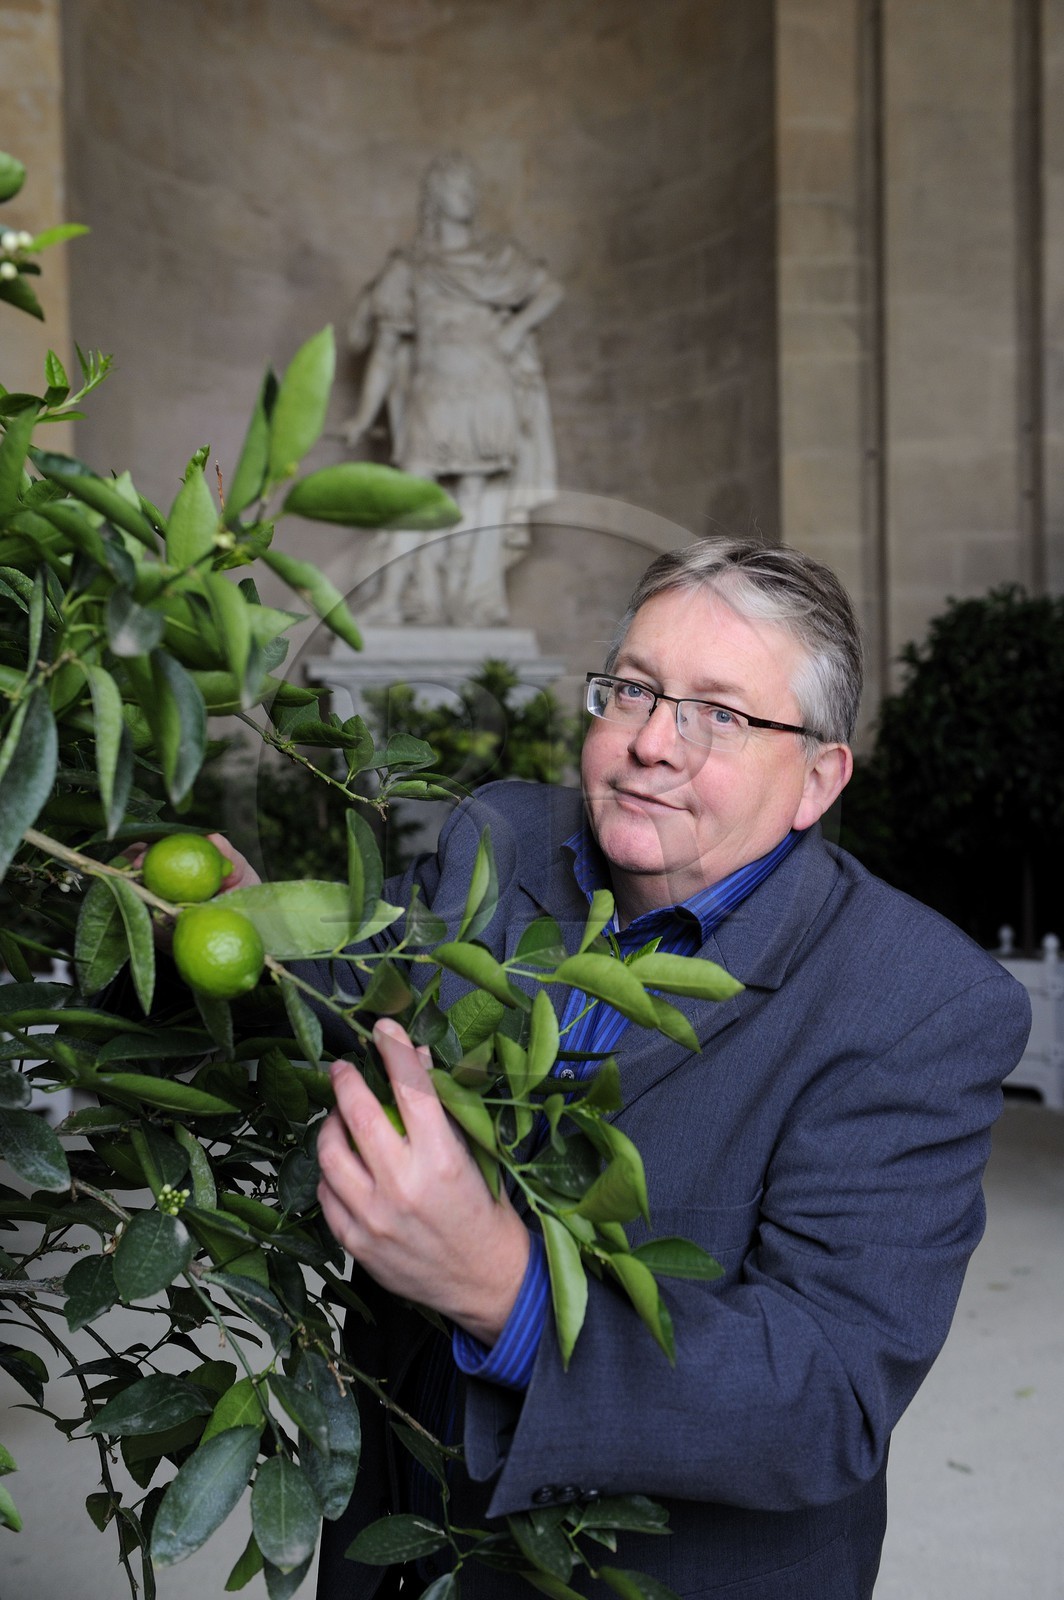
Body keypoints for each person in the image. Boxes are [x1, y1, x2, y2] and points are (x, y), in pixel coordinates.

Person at [311, 537, 1031, 1600]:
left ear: (816, 780)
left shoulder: (916, 1000)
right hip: (399, 1536)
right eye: (633, 691)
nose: (651, 743)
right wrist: (210, 938)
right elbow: (346, 996)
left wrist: (498, 1287)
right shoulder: (498, 839)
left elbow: (823, 1392)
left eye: (719, 714)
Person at [342, 153, 562, 626]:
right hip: (434, 391)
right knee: (413, 492)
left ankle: (470, 605)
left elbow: (550, 291)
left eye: (471, 186)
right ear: (437, 195)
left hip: (487, 388)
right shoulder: (411, 266)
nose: (470, 195)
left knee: (478, 496)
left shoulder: (497, 258)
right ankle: (395, 598)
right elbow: (383, 351)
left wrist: (515, 330)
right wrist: (363, 416)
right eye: (460, 186)